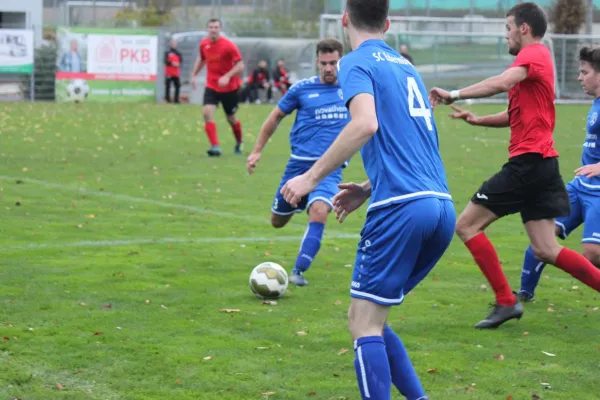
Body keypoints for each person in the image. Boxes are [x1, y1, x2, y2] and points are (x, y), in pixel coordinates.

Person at [280, 0, 455, 398]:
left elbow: (365, 124)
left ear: (345, 20)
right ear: (388, 23)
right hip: (439, 205)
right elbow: (417, 144)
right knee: (375, 318)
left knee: (363, 322)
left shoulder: (355, 63)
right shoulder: (406, 66)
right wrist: (365, 186)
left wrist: (309, 177)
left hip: (402, 210)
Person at [429, 1, 600, 329]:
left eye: (508, 28)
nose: (505, 35)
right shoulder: (534, 65)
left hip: (529, 164)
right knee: (547, 248)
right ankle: (508, 301)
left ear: (524, 28)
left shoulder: (533, 54)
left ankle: (507, 302)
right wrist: (478, 120)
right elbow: (516, 114)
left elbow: (503, 81)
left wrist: (454, 93)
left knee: (466, 225)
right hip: (544, 165)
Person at [247, 38, 349, 286]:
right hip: (297, 167)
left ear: (341, 62)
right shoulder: (301, 89)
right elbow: (275, 117)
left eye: (333, 63)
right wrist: (257, 150)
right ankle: (297, 203)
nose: (328, 68)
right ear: (317, 61)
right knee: (277, 222)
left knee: (319, 211)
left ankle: (298, 271)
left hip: (328, 169)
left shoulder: (352, 90)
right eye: (324, 63)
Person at [517, 46, 600, 301]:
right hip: (580, 187)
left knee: (592, 253)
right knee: (542, 234)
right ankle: (522, 296)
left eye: (584, 72)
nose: (579, 77)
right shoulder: (596, 103)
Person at [191, 18, 245, 156]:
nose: (213, 30)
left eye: (216, 27)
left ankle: (239, 142)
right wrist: (194, 75)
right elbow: (202, 59)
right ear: (207, 29)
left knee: (231, 118)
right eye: (211, 27)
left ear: (220, 29)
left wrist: (227, 76)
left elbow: (240, 65)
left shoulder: (229, 45)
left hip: (229, 88)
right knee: (207, 112)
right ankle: (215, 146)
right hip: (212, 85)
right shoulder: (204, 44)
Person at [164, 39, 182, 103]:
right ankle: (167, 100)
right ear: (170, 44)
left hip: (175, 73)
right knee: (167, 86)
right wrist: (172, 63)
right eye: (172, 43)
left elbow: (180, 62)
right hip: (169, 72)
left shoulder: (178, 53)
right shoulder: (167, 53)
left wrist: (178, 64)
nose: (173, 45)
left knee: (177, 86)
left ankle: (176, 100)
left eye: (174, 43)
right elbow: (165, 61)